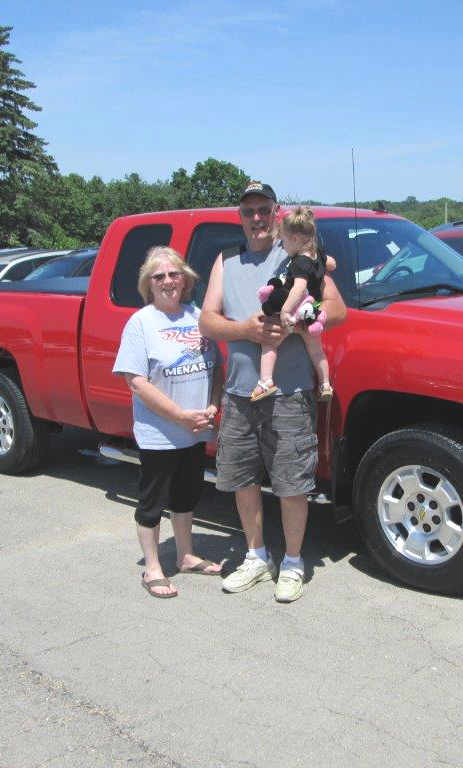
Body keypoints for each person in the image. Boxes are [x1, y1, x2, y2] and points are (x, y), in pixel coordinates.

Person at [199, 181, 347, 603]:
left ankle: (294, 562)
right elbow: (208, 321)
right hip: (240, 392)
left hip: (289, 392)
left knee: (291, 482)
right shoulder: (226, 260)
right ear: (240, 216)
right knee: (242, 478)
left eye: (264, 210)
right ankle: (256, 555)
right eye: (249, 212)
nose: (257, 219)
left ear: (277, 212)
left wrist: (296, 322)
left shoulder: (298, 254)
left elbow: (336, 311)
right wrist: (244, 328)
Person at [113, 246, 224, 599]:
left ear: (185, 278)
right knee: (152, 501)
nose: (167, 281)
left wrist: (212, 404)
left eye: (173, 274)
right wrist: (178, 415)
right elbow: (136, 381)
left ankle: (186, 554)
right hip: (160, 433)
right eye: (158, 276)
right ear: (148, 283)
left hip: (194, 431)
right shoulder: (141, 323)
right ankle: (153, 567)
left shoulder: (197, 316)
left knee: (186, 496)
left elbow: (216, 367)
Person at [252, 205, 336, 402]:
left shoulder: (299, 263)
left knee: (270, 342)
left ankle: (265, 382)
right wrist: (323, 267)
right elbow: (332, 263)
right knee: (316, 350)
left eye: (283, 242)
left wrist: (285, 312)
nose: (282, 247)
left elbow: (298, 288)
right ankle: (325, 385)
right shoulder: (318, 254)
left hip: (296, 309)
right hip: (312, 311)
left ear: (295, 239)